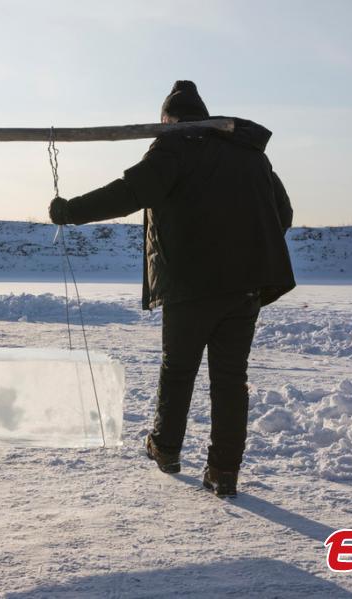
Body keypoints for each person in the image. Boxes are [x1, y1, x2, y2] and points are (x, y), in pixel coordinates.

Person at [48, 80, 294, 498]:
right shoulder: (248, 152)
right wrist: (244, 249)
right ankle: (223, 472)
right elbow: (282, 213)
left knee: (178, 370)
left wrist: (69, 211)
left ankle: (166, 448)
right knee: (230, 380)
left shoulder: (175, 146)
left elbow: (129, 192)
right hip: (246, 288)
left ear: (168, 119)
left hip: (192, 285)